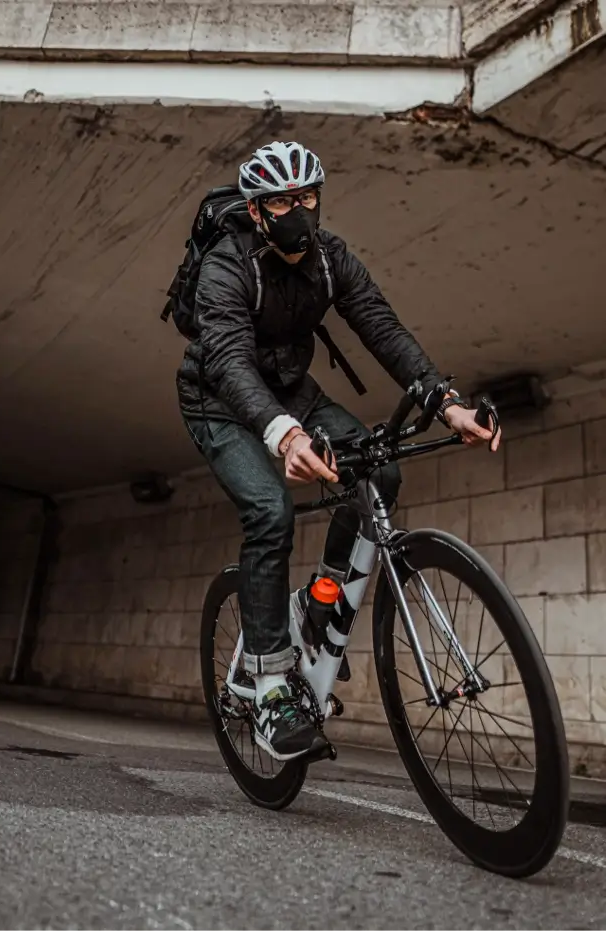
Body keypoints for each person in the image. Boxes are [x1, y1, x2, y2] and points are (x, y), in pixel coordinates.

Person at [177, 141, 501, 762]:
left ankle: (322, 598)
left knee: (383, 469)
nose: (297, 209)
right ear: (258, 209)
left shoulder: (331, 259)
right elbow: (227, 360)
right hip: (217, 400)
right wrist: (285, 434)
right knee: (269, 512)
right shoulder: (227, 264)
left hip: (294, 391)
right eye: (280, 201)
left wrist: (447, 402)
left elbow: (381, 326)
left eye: (306, 196)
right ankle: (272, 685)